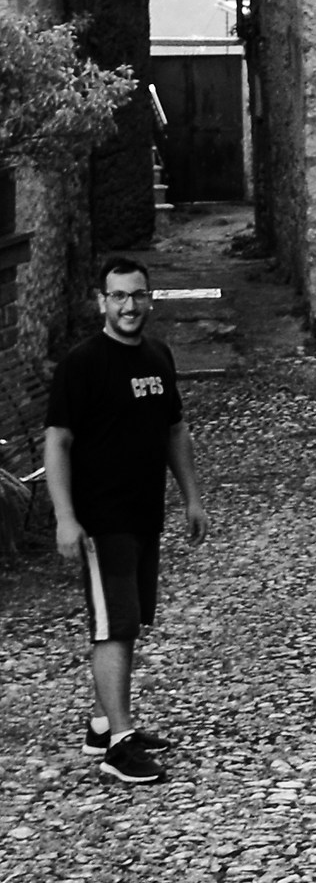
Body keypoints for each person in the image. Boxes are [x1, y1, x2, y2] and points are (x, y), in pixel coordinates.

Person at [44, 256, 209, 785]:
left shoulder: (159, 357)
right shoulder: (83, 363)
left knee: (128, 620)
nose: (129, 306)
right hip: (100, 520)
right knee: (112, 627)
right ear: (101, 302)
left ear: (150, 298)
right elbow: (58, 441)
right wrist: (65, 517)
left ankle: (101, 724)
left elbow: (174, 430)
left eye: (137, 295)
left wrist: (192, 498)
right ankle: (119, 743)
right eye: (118, 296)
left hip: (144, 516)